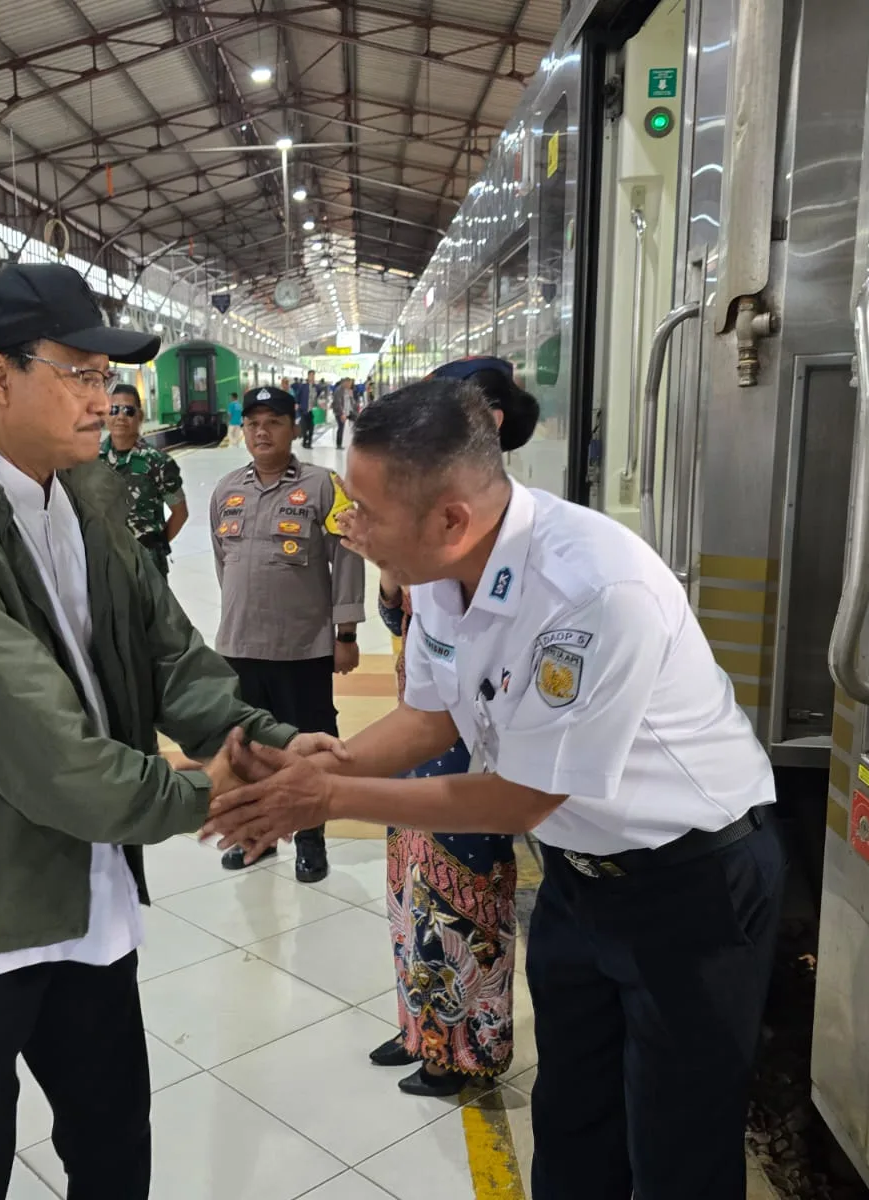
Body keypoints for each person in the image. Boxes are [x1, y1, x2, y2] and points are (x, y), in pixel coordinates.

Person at [205, 377, 786, 1200]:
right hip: (581, 884)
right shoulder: (442, 571)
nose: (348, 528)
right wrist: (319, 769)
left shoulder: (590, 590)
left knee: (678, 1141)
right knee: (575, 1115)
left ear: (450, 518)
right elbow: (430, 717)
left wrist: (328, 802)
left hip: (691, 887)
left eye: (364, 511)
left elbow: (517, 800)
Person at [0, 262, 335, 1200]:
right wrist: (212, 794)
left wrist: (263, 740)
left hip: (83, 897)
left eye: (109, 378)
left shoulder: (88, 493)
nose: (104, 397)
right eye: (80, 373)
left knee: (112, 1146)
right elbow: (45, 748)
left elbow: (168, 658)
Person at [369, 356, 540, 1098]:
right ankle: (424, 1024)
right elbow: (401, 623)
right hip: (421, 726)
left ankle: (468, 1047)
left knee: (466, 896)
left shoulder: (509, 532)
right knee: (413, 889)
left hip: (471, 752)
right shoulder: (432, 534)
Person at [208, 384, 365, 883]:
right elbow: (223, 564)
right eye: (253, 422)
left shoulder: (324, 485)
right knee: (249, 749)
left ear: (294, 428)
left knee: (310, 744)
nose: (261, 430)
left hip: (303, 647)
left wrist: (345, 632)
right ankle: (257, 835)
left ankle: (311, 838)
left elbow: (347, 555)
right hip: (240, 644)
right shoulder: (226, 490)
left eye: (273, 421)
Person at [99, 382, 187, 576]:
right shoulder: (92, 460)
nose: (121, 416)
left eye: (128, 411)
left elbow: (179, 511)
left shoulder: (158, 463)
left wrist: (156, 545)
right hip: (105, 562)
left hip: (147, 565)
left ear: (140, 416)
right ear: (106, 415)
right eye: (114, 410)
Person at [293, 370, 316, 447]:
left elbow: (320, 397)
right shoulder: (303, 386)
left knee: (311, 428)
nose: (312, 377)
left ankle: (309, 443)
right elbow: (297, 396)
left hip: (312, 411)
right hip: (304, 410)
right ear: (308, 376)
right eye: (311, 375)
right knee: (304, 428)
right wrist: (296, 403)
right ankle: (304, 442)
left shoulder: (315, 387)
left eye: (313, 375)